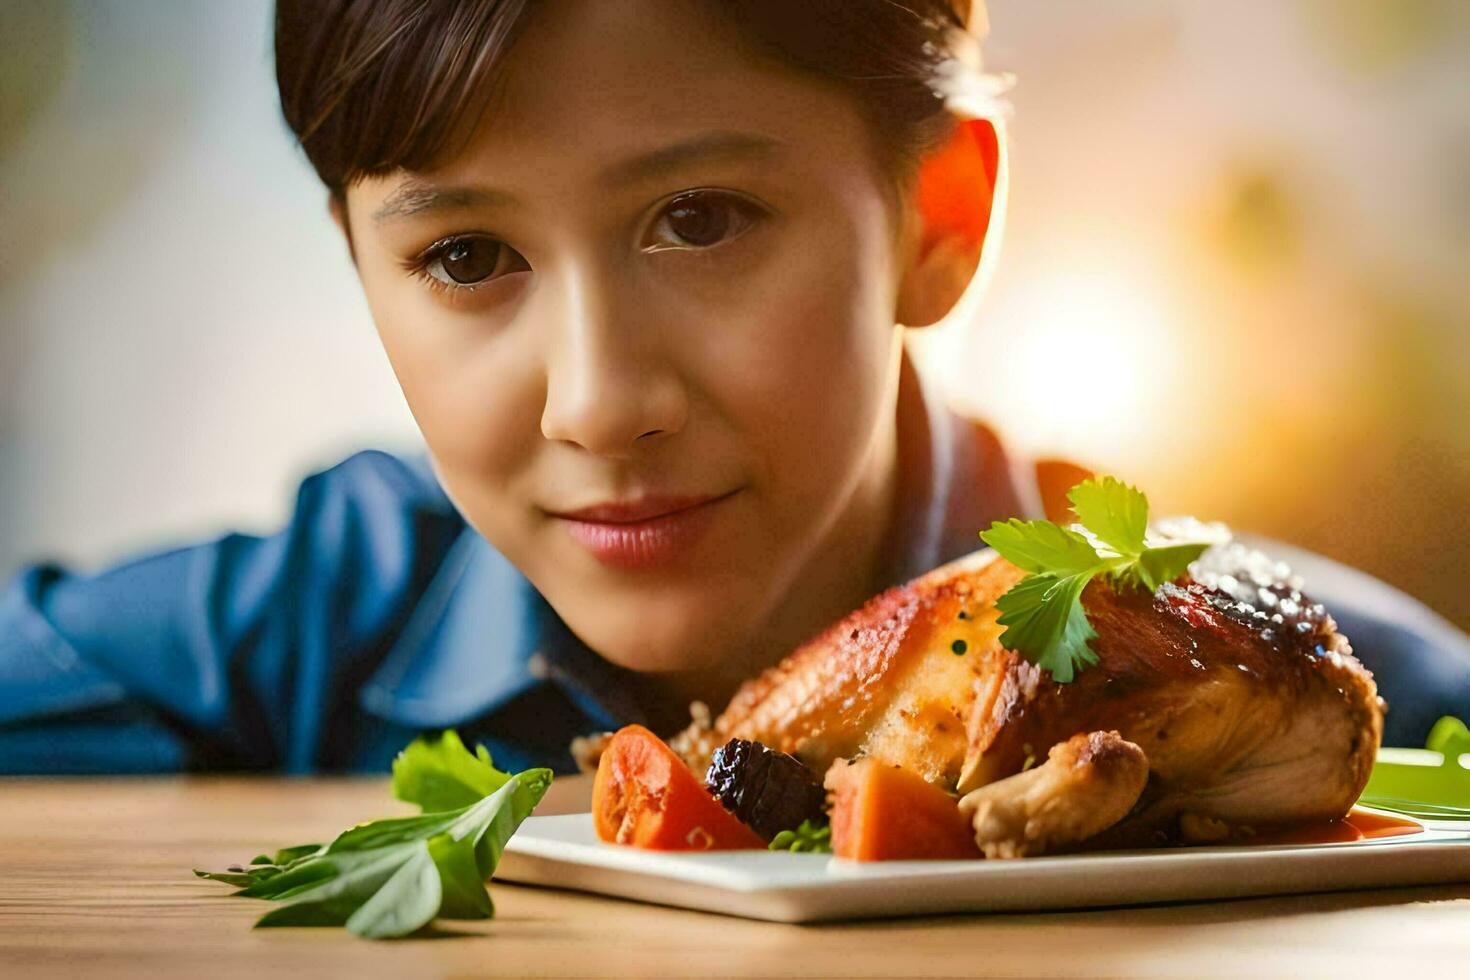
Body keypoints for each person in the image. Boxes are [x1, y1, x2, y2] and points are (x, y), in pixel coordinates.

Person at [2, 0, 1465, 775]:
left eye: (698, 219)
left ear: (937, 220)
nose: (597, 401)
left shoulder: (1319, 699)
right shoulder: (306, 628)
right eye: (465, 255)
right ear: (356, 265)